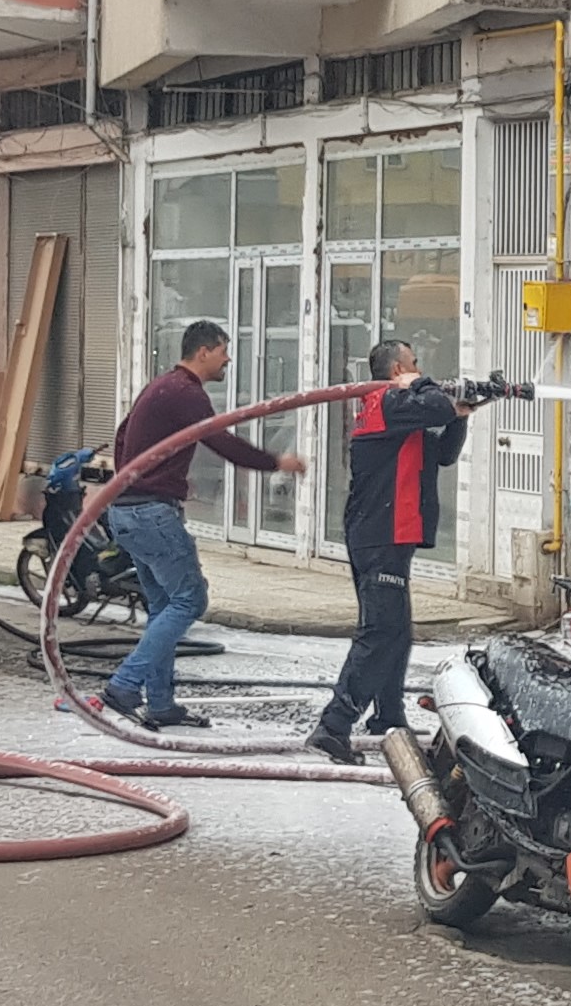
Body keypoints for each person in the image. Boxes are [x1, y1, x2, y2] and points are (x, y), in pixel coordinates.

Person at [92, 319, 306, 727]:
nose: (228, 358)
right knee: (190, 600)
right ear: (203, 352)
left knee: (162, 607)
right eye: (223, 350)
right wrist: (278, 462)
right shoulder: (185, 393)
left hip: (128, 510)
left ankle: (160, 703)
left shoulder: (160, 388)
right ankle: (124, 684)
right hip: (151, 513)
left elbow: (123, 438)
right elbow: (222, 440)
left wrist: (143, 479)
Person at [311, 340, 479, 762]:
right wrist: (426, 387)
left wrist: (461, 416)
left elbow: (442, 454)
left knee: (397, 630)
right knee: (380, 630)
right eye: (415, 363)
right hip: (380, 533)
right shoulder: (384, 400)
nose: (421, 369)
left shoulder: (400, 411)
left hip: (389, 533)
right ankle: (334, 725)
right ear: (399, 368)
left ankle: (388, 715)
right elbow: (434, 406)